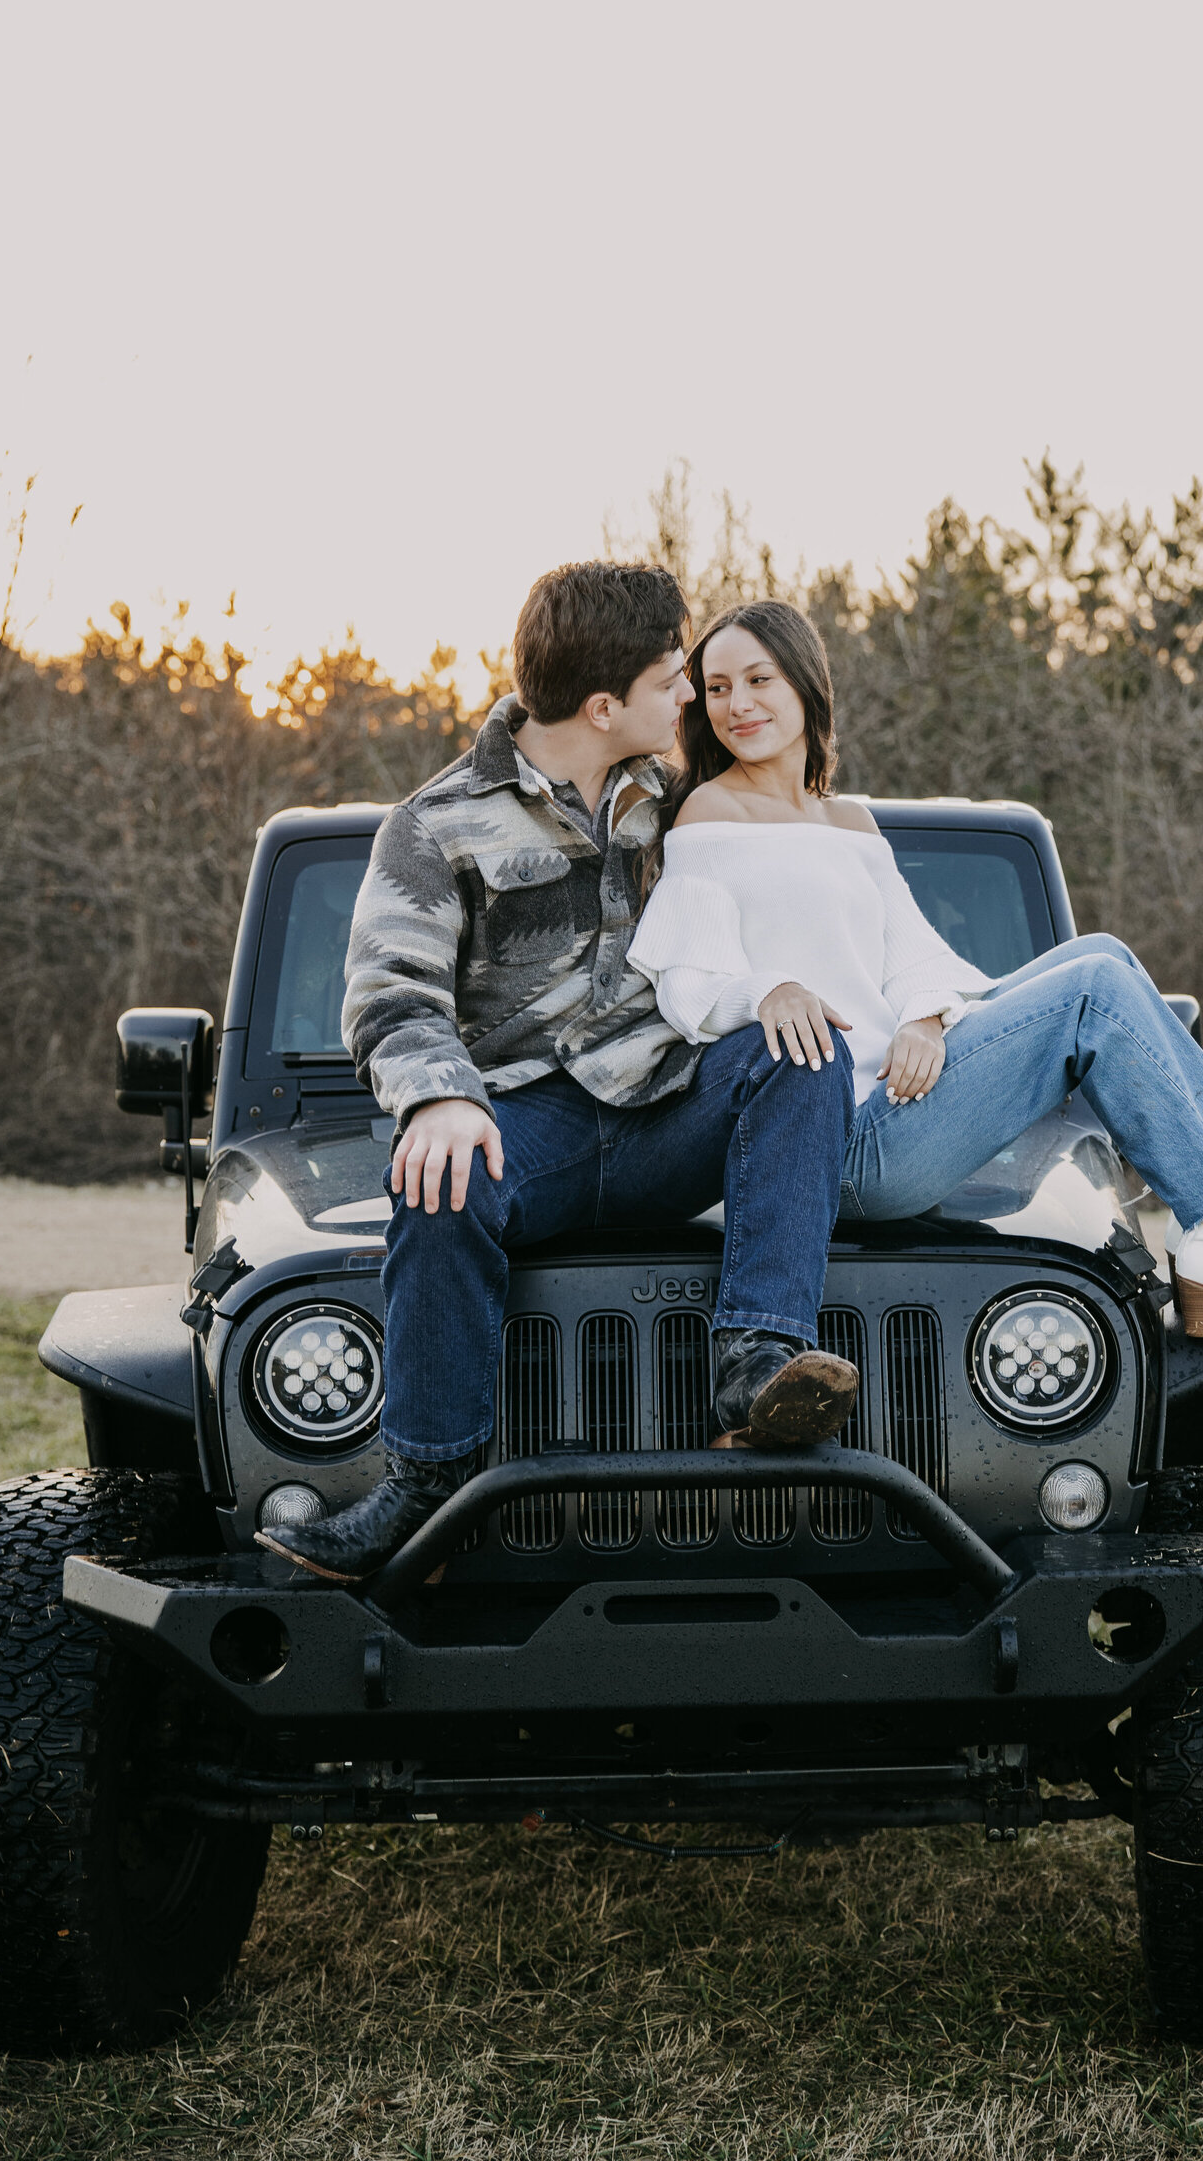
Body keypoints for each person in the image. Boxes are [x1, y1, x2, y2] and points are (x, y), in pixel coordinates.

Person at [256, 564, 859, 1585]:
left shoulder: (676, 802)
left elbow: (805, 884)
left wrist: (792, 985)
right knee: (431, 1175)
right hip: (524, 1127)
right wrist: (440, 1095)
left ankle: (759, 1368)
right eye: (675, 678)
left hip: (672, 1110)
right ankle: (427, 1488)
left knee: (802, 1049)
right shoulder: (435, 824)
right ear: (601, 705)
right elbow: (386, 991)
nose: (691, 697)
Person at [627, 599, 1203, 1340]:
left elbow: (915, 958)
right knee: (1093, 994)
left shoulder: (845, 820)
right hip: (836, 1139)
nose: (737, 704)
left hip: (901, 1103)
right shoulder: (712, 815)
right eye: (716, 688)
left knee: (1102, 955)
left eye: (759, 679)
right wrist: (768, 992)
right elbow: (687, 982)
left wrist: (924, 1016)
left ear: (806, 684)